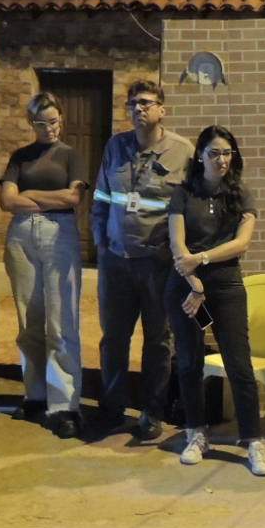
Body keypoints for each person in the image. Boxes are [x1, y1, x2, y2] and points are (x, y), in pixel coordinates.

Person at [90, 79, 193, 441]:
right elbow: (101, 198)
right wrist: (100, 243)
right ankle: (112, 406)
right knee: (114, 338)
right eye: (133, 103)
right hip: (116, 261)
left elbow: (190, 210)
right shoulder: (115, 147)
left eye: (146, 102)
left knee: (158, 339)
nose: (138, 108)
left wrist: (178, 255)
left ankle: (152, 410)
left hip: (157, 264)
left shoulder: (183, 152)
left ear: (162, 109)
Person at [165, 125, 265, 476]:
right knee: (189, 361)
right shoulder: (183, 193)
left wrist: (202, 259)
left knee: (238, 364)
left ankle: (252, 440)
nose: (221, 160)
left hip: (225, 287)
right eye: (214, 153)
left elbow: (241, 244)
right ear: (200, 156)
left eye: (227, 153)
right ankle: (196, 433)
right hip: (187, 287)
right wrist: (194, 283)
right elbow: (177, 245)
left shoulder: (240, 194)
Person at [0, 93, 89, 438]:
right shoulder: (20, 156)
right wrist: (42, 199)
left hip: (59, 233)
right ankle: (35, 394)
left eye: (53, 121)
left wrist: (31, 195)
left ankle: (64, 404)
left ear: (61, 119)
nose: (49, 128)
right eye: (41, 123)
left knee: (61, 320)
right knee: (29, 320)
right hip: (21, 236)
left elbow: (73, 198)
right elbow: (7, 201)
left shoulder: (71, 155)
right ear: (31, 123)